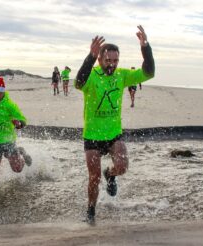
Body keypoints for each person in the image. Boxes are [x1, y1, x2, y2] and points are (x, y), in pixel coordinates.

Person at [74, 25, 155, 223]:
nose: (112, 65)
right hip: (92, 135)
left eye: (115, 61)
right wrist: (89, 57)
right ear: (100, 59)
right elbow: (78, 82)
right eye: (107, 60)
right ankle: (91, 211)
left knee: (123, 166)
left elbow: (149, 72)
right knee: (94, 178)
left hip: (113, 134)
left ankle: (110, 175)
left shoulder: (122, 75)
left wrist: (145, 46)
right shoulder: (92, 76)